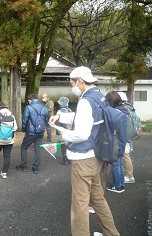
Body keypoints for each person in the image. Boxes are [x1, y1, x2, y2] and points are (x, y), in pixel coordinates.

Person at [49, 66, 120, 236]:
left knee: (80, 204)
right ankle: (112, 233)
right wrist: (60, 116)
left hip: (83, 159)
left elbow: (81, 133)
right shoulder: (99, 96)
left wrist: (64, 133)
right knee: (97, 199)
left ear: (80, 81)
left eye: (72, 83)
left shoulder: (85, 101)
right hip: (96, 156)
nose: (72, 86)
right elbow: (85, 118)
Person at [16, 94, 48, 174]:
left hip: (31, 132)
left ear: (30, 100)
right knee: (38, 149)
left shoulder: (28, 107)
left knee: (24, 147)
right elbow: (46, 119)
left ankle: (23, 166)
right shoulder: (44, 107)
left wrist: (23, 130)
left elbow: (25, 120)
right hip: (40, 131)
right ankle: (35, 168)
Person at [105, 91, 129, 193]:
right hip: (122, 141)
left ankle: (117, 186)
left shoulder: (115, 113)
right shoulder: (125, 110)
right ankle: (121, 184)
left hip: (116, 142)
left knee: (116, 164)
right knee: (120, 164)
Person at [117, 91, 136, 184]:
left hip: (124, 136)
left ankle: (129, 175)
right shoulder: (130, 107)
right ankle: (128, 174)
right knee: (125, 155)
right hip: (129, 135)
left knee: (125, 155)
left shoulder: (123, 109)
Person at [56, 96, 72, 166]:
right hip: (70, 130)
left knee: (63, 145)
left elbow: (59, 122)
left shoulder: (60, 111)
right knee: (69, 145)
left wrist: (59, 131)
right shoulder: (70, 110)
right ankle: (69, 159)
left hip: (62, 130)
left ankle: (65, 160)